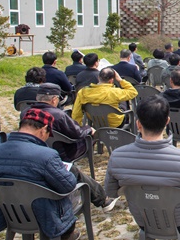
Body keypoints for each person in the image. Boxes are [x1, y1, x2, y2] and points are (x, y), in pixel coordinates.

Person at [105, 96, 180, 234]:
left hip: (142, 220)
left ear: (138, 124)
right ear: (167, 121)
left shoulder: (117, 156)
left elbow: (110, 191)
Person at [0, 109, 79, 240]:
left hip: (5, 213)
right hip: (45, 217)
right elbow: (68, 186)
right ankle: (67, 234)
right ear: (44, 129)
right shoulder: (46, 155)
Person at [25, 83, 118, 212]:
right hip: (64, 152)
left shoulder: (26, 113)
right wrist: (88, 129)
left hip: (37, 153)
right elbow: (77, 133)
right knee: (91, 137)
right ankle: (102, 198)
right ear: (54, 99)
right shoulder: (58, 115)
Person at [72, 68, 138, 128]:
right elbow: (133, 92)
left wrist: (79, 127)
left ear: (98, 78)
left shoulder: (83, 92)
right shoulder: (115, 92)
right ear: (111, 80)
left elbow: (76, 112)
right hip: (116, 123)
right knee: (123, 101)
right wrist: (120, 80)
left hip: (95, 121)